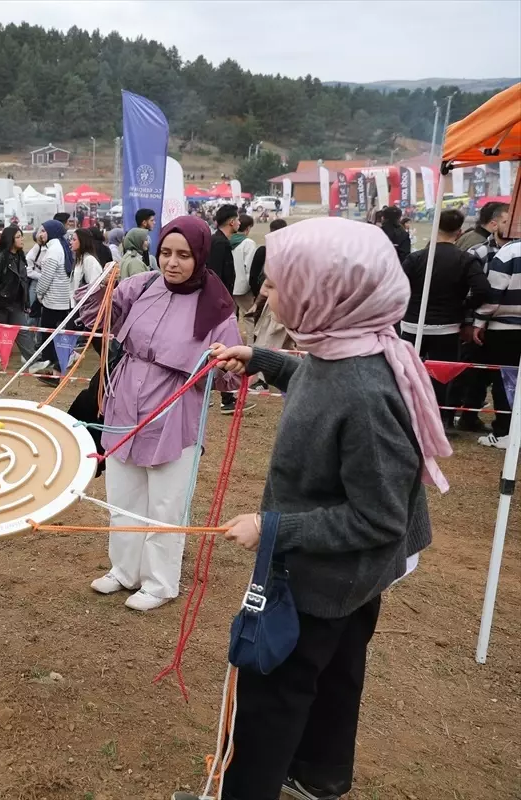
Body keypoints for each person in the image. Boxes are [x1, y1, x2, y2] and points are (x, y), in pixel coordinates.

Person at [175, 216, 449, 800]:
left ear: (325, 293)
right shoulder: (346, 346)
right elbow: (319, 379)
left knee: (272, 696)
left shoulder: (364, 390)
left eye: (276, 283)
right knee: (335, 678)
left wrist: (272, 526)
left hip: (324, 578)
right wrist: (264, 359)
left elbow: (377, 519)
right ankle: (319, 776)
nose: (266, 293)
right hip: (347, 579)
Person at [79, 216, 242, 612]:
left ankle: (160, 582)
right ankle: (124, 570)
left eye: (183, 255)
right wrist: (102, 286)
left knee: (166, 504)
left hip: (174, 411)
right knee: (123, 495)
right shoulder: (143, 285)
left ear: (199, 256)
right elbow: (92, 318)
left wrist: (224, 366)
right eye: (166, 252)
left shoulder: (218, 308)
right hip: (124, 401)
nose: (172, 262)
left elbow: (230, 375)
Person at [400, 210, 491, 427]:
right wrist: (462, 305)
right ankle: (441, 418)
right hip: (447, 327)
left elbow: (397, 286)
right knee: (442, 376)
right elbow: (483, 291)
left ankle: (405, 415)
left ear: (434, 229)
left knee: (407, 372)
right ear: (459, 232)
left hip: (413, 324)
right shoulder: (465, 260)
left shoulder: (416, 258)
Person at [468, 239, 521, 449]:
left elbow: (494, 292)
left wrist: (479, 320)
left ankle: (504, 432)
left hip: (506, 327)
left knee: (503, 381)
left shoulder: (511, 252)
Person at [0, 225, 35, 372]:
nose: (21, 239)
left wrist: (26, 303)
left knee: (22, 330)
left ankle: (33, 361)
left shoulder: (21, 257)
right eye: (18, 237)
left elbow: (23, 283)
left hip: (16, 303)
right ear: (10, 240)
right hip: (0, 303)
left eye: (21, 236)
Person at [207, 205, 246, 414]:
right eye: (237, 219)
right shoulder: (219, 244)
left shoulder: (220, 241)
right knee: (224, 347)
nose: (239, 222)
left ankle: (224, 396)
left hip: (220, 304)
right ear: (232, 221)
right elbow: (215, 277)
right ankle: (226, 398)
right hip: (219, 306)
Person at [32, 219, 74, 373]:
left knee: (47, 332)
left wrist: (39, 294)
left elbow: (46, 277)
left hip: (53, 300)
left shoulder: (54, 249)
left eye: (44, 231)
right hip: (63, 299)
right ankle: (57, 360)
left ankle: (50, 360)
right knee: (58, 333)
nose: (40, 234)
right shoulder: (61, 246)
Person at [230, 213, 257, 321]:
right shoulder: (248, 243)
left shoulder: (226, 240)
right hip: (243, 287)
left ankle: (231, 338)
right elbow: (249, 267)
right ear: (248, 227)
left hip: (228, 286)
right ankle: (250, 339)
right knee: (249, 318)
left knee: (230, 317)